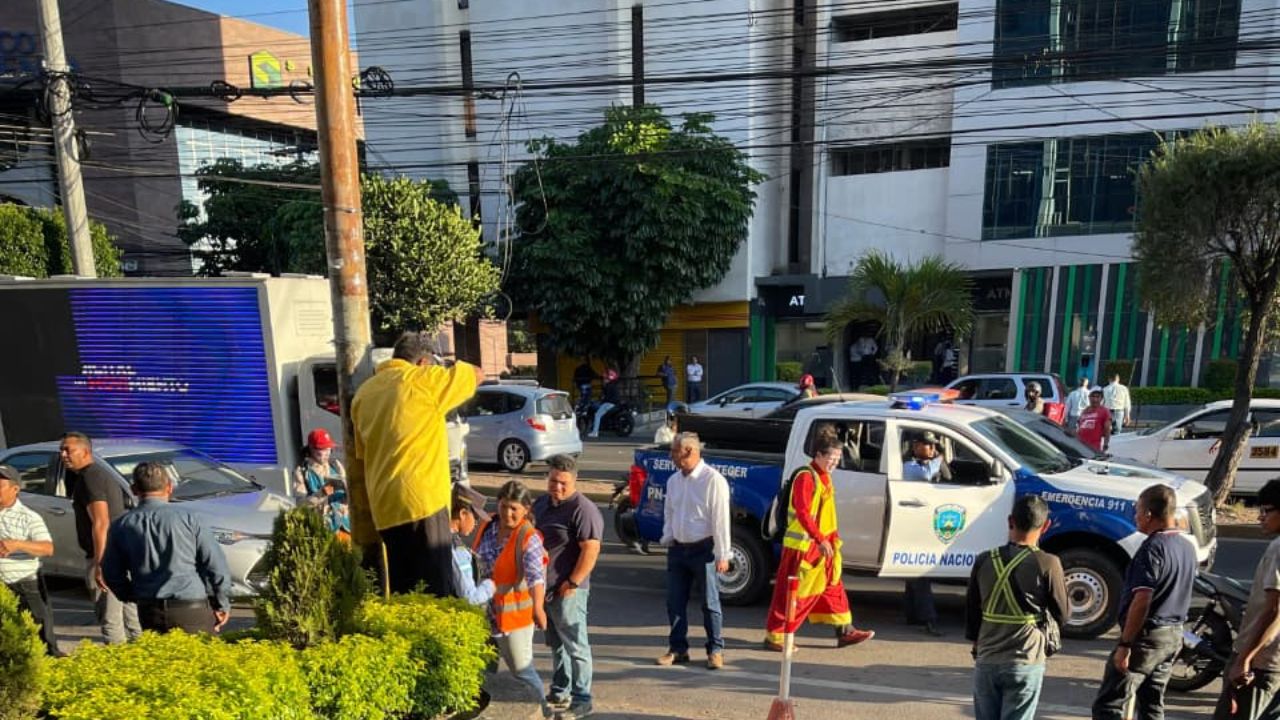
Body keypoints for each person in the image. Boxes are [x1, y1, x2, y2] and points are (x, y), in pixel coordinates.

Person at [350, 331, 483, 596]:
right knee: (434, 594)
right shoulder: (422, 380)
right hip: (423, 503)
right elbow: (476, 374)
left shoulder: (363, 395)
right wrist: (442, 366)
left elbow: (362, 454)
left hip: (385, 509)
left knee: (405, 592)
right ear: (423, 363)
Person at [1091, 484, 1196, 720]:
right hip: (1173, 636)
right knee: (1152, 704)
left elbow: (1142, 600)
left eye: (1137, 510)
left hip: (1147, 638)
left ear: (1148, 514)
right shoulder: (1186, 547)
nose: (1135, 516)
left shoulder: (1152, 549)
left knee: (1110, 704)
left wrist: (1125, 644)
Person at [763, 429, 874, 651]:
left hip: (822, 547)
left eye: (838, 459)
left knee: (833, 588)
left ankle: (846, 631)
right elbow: (803, 513)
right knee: (795, 594)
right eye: (831, 458)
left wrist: (829, 541)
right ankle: (776, 636)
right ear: (818, 455)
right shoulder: (806, 477)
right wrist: (820, 539)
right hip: (803, 548)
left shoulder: (823, 477)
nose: (835, 463)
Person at [965, 495, 1068, 720]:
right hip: (1026, 658)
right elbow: (1062, 613)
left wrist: (977, 643)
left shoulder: (984, 559)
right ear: (1046, 526)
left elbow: (972, 609)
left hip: (987, 658)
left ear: (1010, 521)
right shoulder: (1048, 563)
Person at [101, 462, 232, 634]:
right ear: (169, 487)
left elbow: (111, 572)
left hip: (149, 609)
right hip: (191, 606)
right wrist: (222, 603)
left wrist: (130, 595)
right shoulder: (189, 519)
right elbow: (215, 565)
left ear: (134, 490)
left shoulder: (121, 525)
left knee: (158, 651)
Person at [534, 455, 604, 720]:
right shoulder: (542, 503)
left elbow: (591, 549)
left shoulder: (583, 509)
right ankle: (560, 689)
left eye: (563, 483)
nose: (557, 487)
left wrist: (572, 582)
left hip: (569, 590)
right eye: (553, 481)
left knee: (576, 646)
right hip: (546, 589)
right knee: (557, 644)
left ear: (574, 481)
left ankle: (583, 698)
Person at [474, 481, 550, 718]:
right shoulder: (488, 525)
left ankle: (542, 711)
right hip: (485, 614)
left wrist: (538, 608)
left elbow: (536, 578)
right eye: (504, 506)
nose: (507, 513)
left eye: (514, 508)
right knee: (483, 669)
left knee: (522, 670)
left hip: (513, 618)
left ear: (526, 509)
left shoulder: (528, 537)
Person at [657, 432, 730, 670]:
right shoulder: (674, 481)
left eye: (674, 451)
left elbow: (721, 519)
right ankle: (678, 648)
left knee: (710, 603)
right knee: (674, 602)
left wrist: (723, 554)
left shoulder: (712, 480)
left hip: (704, 550)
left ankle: (715, 650)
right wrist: (668, 536)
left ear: (688, 452)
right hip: (678, 549)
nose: (671, 456)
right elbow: (670, 511)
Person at [62, 431, 141, 644]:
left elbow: (101, 521)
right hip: (120, 555)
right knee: (131, 616)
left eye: (68, 450)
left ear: (86, 451)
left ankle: (119, 660)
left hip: (107, 557)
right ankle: (143, 654)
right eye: (62, 450)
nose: (63, 455)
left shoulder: (91, 478)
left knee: (110, 618)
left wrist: (100, 563)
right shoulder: (97, 475)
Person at [1214, 479, 1280, 720]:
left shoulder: (1278, 549)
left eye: (1266, 511)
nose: (1260, 517)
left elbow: (1274, 611)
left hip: (1262, 662)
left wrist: (1245, 659)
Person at [0, 465, 59, 654]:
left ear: (15, 489)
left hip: (22, 585)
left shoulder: (29, 517)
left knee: (39, 638)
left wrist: (17, 544)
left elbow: (47, 548)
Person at [902, 431, 948, 635]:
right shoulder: (909, 465)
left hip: (920, 524)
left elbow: (948, 477)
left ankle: (912, 614)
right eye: (928, 445)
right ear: (916, 446)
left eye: (934, 446)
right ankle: (928, 618)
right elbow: (925, 475)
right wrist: (940, 458)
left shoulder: (928, 463)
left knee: (915, 572)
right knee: (921, 571)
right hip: (910, 525)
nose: (932, 449)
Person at [293, 428, 350, 538]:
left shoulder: (336, 465)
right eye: (323, 449)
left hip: (345, 526)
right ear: (312, 449)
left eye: (329, 448)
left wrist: (347, 487)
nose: (327, 453)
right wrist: (322, 493)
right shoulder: (302, 472)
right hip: (322, 529)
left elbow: (351, 496)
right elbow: (301, 504)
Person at [449, 485, 495, 607]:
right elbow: (469, 598)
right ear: (463, 514)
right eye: (476, 518)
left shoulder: (438, 535)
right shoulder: (458, 550)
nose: (476, 524)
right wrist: (491, 585)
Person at [1077, 389, 1113, 454]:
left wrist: (1105, 444)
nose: (1095, 399)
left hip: (1094, 447)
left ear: (1101, 398)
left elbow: (1107, 429)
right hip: (1081, 445)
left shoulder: (1105, 411)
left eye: (1097, 397)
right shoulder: (1084, 411)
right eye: (1093, 396)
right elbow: (1079, 428)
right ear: (1089, 397)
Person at [588, 368, 620, 439]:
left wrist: (601, 401)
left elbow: (606, 398)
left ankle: (595, 432)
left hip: (608, 404)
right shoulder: (613, 385)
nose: (604, 380)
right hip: (613, 404)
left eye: (605, 378)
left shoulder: (608, 386)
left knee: (597, 415)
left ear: (609, 379)